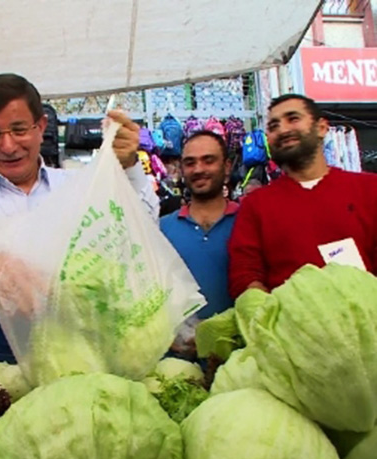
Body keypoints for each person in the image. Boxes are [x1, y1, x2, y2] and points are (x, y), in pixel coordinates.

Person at [0, 73, 160, 363]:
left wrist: (129, 166)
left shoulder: (80, 185)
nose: (8, 146)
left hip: (88, 355)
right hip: (5, 364)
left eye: (19, 130)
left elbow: (142, 228)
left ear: (41, 126)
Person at [228, 94, 377, 298]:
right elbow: (245, 273)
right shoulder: (256, 206)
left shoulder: (369, 189)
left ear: (322, 128)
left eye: (293, 118)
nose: (283, 129)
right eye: (273, 126)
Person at [160, 131, 238, 358]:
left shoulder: (248, 224)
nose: (198, 169)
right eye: (190, 163)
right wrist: (169, 334)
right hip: (177, 369)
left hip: (238, 363)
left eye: (208, 160)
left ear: (227, 167)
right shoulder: (161, 229)